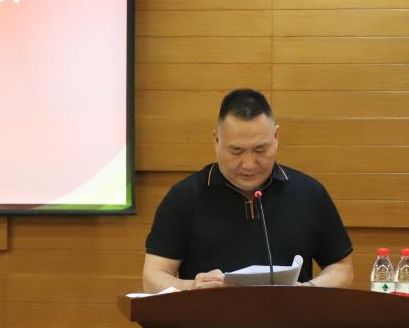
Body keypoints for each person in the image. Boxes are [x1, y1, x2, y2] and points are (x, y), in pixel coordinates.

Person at [142, 88, 354, 292]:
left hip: (291, 316)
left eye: (260, 150)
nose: (249, 164)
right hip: (208, 316)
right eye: (236, 151)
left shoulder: (309, 193)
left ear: (276, 137)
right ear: (216, 140)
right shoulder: (185, 197)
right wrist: (194, 287)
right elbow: (152, 277)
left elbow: (341, 267)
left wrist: (306, 290)